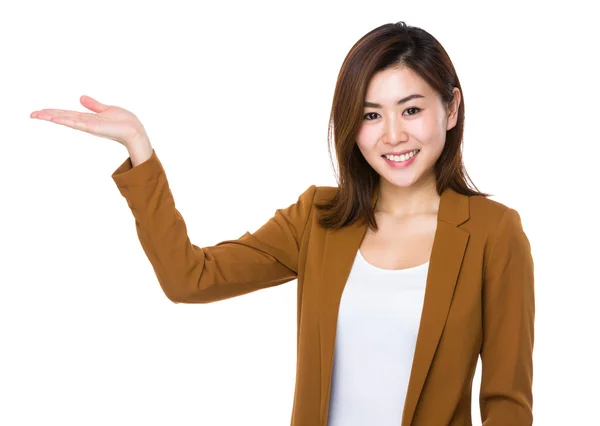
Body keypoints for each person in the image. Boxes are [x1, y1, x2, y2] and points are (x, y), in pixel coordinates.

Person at [30, 21, 534, 426]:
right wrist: (139, 148)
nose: (394, 135)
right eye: (371, 115)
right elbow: (190, 278)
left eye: (412, 109)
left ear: (451, 108)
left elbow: (507, 404)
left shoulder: (493, 233)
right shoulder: (318, 219)